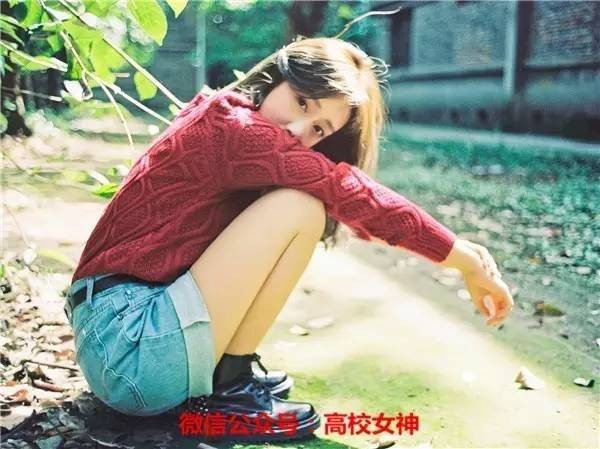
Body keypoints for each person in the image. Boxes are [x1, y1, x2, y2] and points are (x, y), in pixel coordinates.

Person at [63, 36, 514, 442]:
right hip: (129, 346)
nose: (299, 131)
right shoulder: (235, 130)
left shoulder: (227, 120)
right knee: (300, 207)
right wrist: (463, 258)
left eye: (319, 129)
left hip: (120, 341)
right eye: (301, 102)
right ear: (276, 78)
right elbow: (349, 192)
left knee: (301, 203)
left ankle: (229, 378)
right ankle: (229, 392)